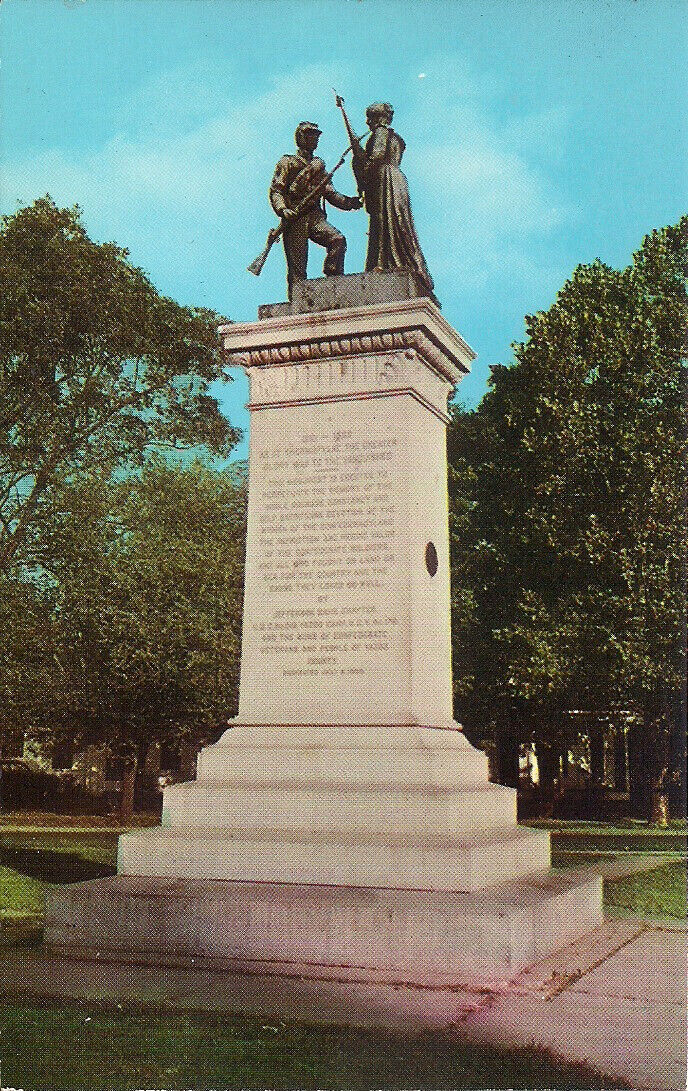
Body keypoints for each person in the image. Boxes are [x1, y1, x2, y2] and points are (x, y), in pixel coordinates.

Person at [269, 121, 361, 298]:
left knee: (338, 240)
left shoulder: (319, 166)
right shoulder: (288, 162)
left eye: (316, 136)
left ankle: (333, 279)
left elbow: (331, 194)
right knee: (298, 267)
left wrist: (350, 203)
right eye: (310, 135)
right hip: (295, 217)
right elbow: (276, 190)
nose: (314, 139)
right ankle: (298, 302)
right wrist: (282, 209)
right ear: (301, 138)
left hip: (315, 216)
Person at [356, 102, 435, 299]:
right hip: (397, 179)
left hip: (385, 179)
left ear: (378, 118)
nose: (367, 122)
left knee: (385, 222)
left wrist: (363, 168)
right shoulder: (396, 137)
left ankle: (384, 263)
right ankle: (400, 261)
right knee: (399, 223)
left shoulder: (381, 133)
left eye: (370, 118)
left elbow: (377, 156)